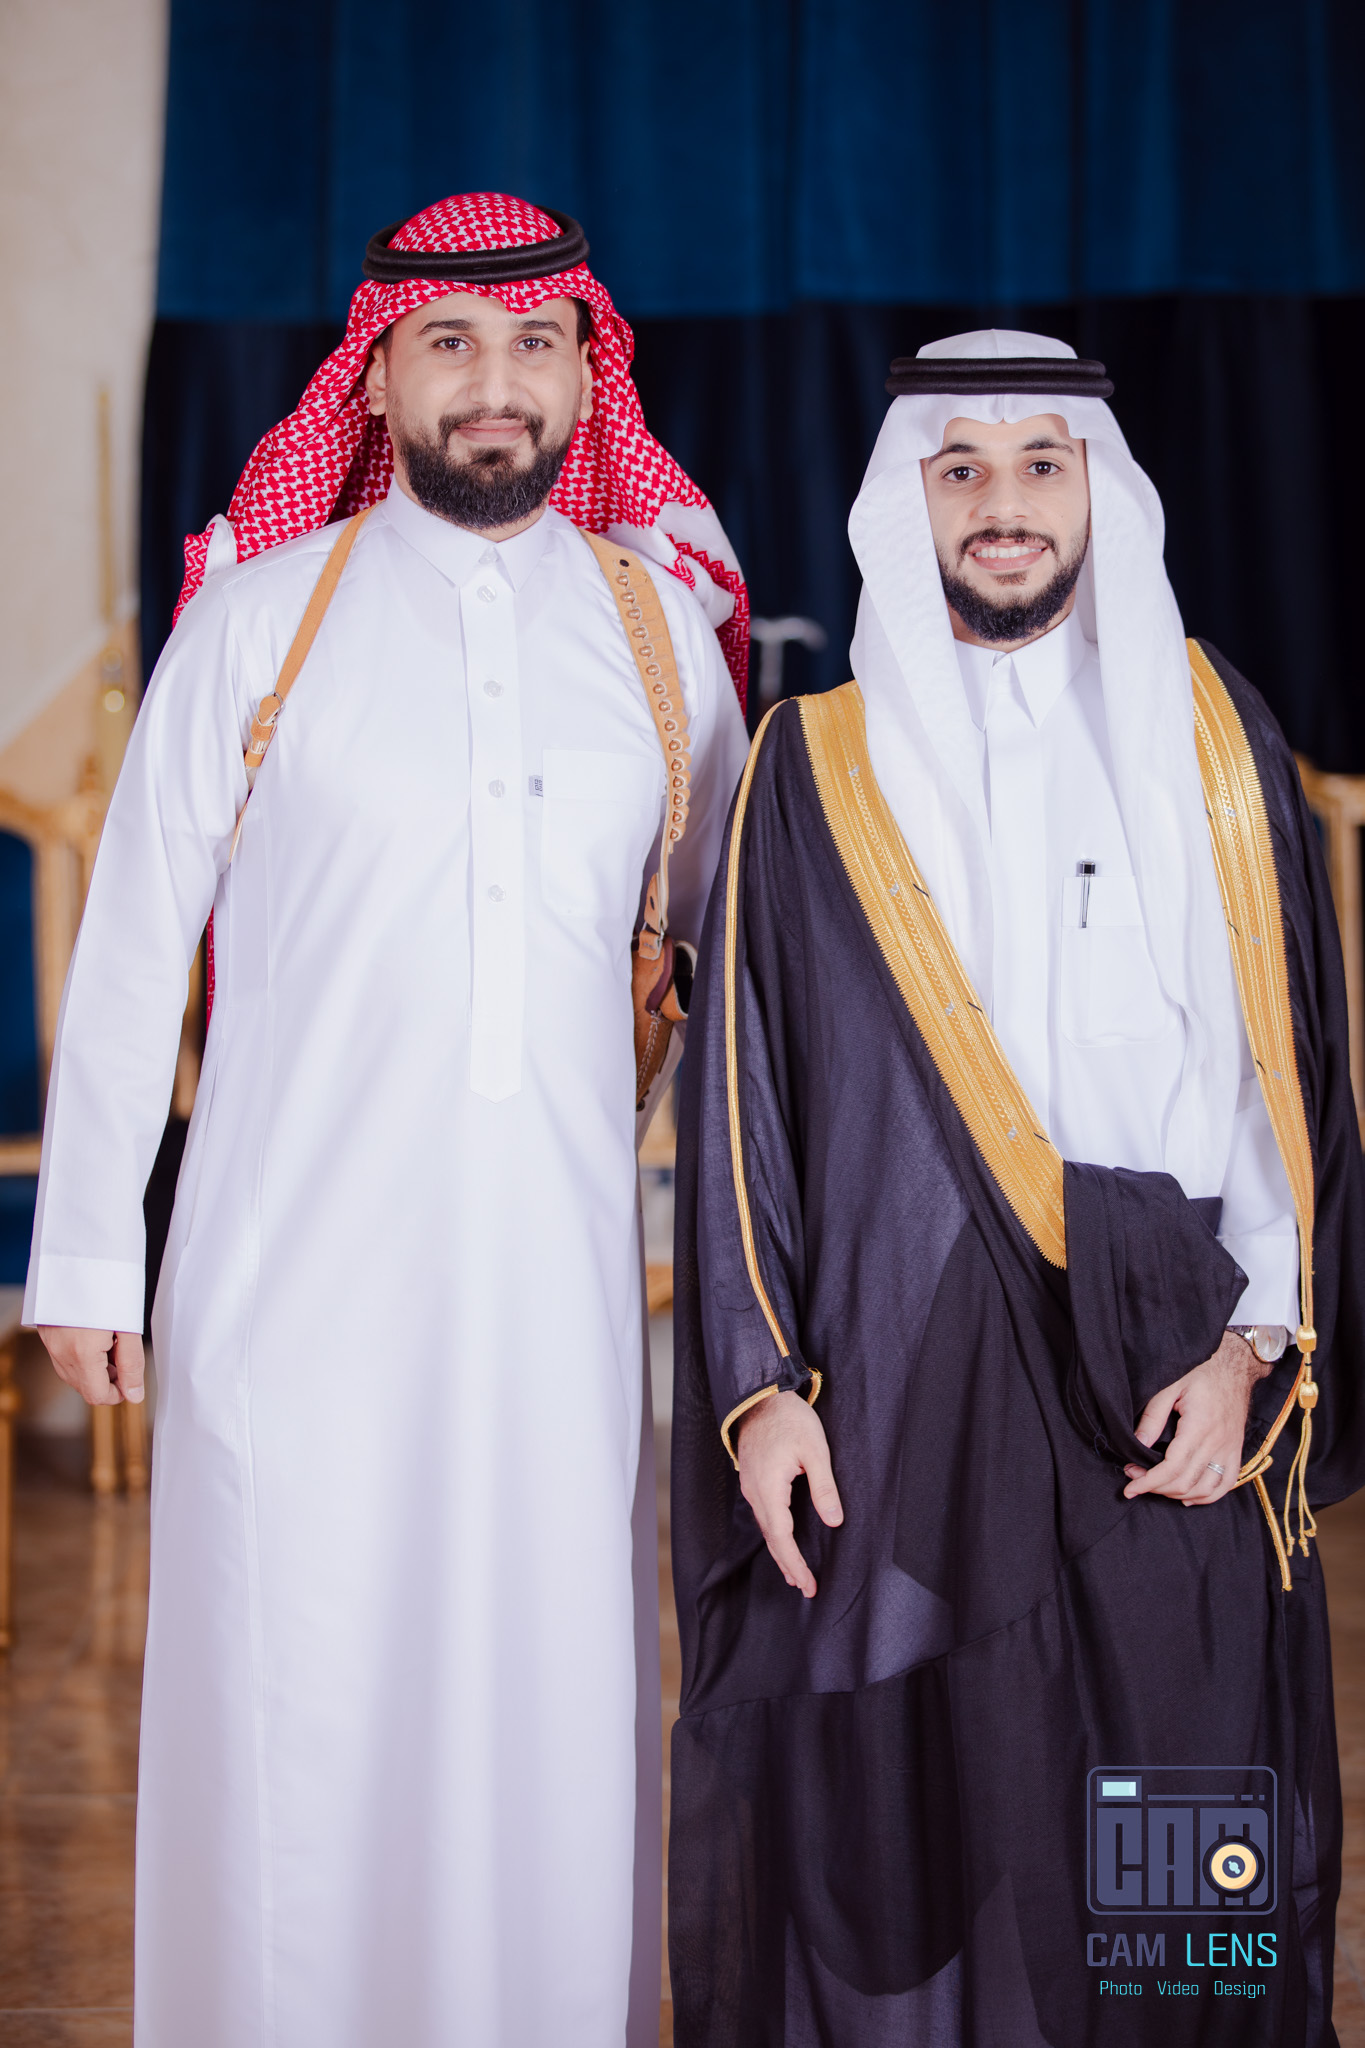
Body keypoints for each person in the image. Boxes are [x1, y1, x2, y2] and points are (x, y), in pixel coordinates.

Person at [25, 193, 749, 2048]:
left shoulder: (662, 646)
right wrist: (89, 1252)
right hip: (294, 1297)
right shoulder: (257, 621)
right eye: (450, 344)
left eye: (534, 345)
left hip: (557, 1300)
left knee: (547, 1716)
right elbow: (132, 944)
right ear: (375, 378)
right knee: (303, 1718)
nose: (495, 383)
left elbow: (739, 975)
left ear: (585, 374)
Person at [669, 330, 1365, 2046]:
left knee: (1178, 1803)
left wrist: (1254, 1350)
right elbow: (743, 1099)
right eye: (960, 468)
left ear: (1096, 491)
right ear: (903, 502)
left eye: (1041, 463)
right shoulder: (808, 765)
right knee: (916, 1796)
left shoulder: (1213, 737)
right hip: (895, 1368)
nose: (1002, 503)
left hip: (1168, 1361)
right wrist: (762, 1389)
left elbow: (1283, 1083)